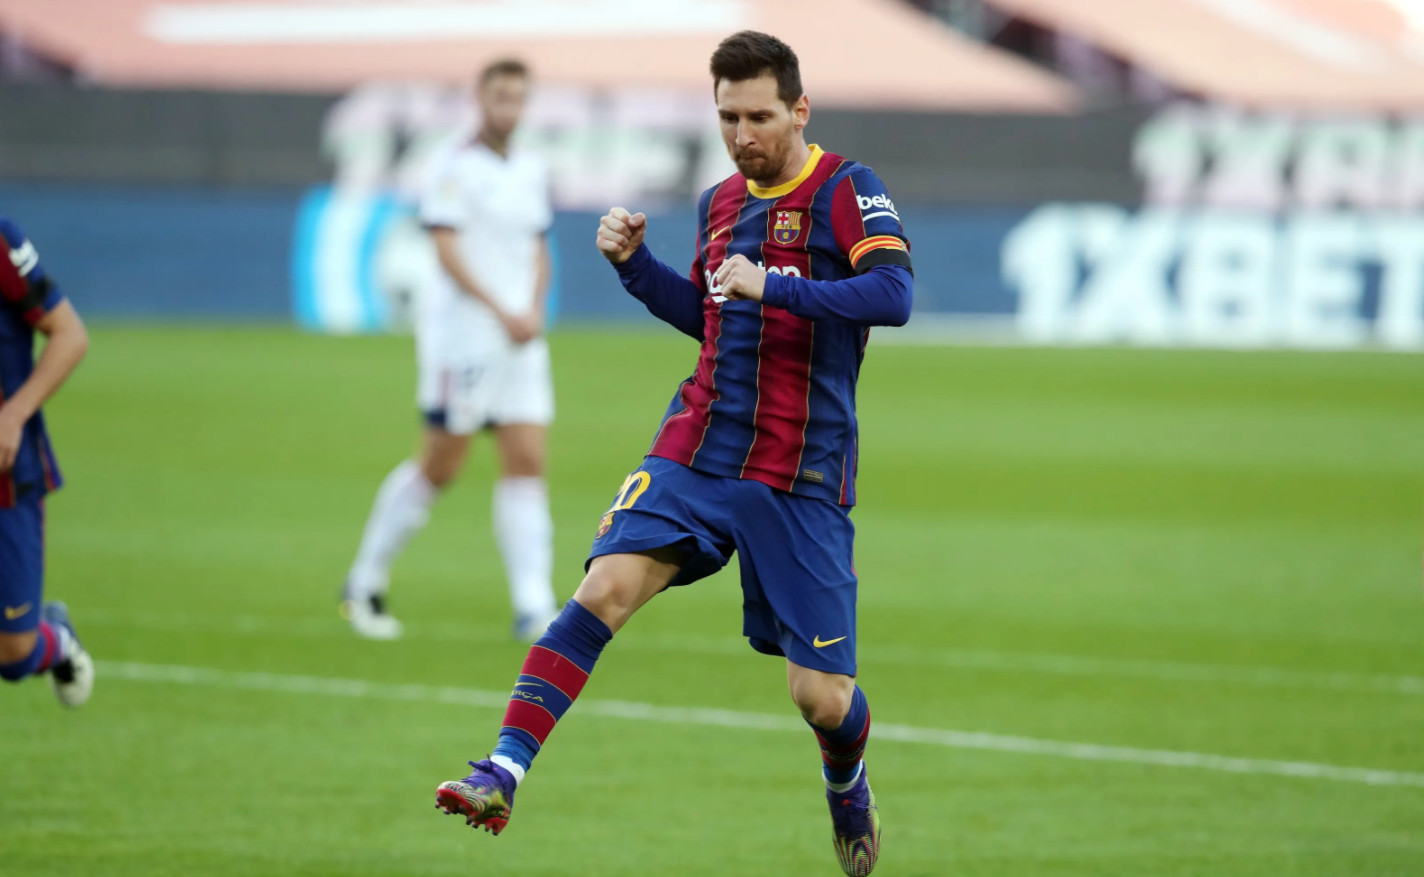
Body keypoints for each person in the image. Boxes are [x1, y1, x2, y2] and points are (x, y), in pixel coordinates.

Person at [433, 31, 912, 877]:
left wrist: (779, 284)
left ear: (799, 109)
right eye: (727, 116)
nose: (742, 134)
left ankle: (848, 779)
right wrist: (635, 268)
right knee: (604, 586)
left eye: (759, 115)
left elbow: (893, 295)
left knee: (821, 697)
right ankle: (502, 767)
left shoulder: (848, 189)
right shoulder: (719, 203)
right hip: (699, 441)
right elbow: (715, 318)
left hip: (798, 466)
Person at [341, 58, 559, 642]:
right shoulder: (453, 167)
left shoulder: (531, 168)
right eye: (499, 96)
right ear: (480, 99)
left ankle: (533, 605)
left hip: (521, 337)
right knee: (442, 464)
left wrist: (534, 308)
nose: (508, 108)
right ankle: (363, 580)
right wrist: (502, 311)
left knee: (527, 460)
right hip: (464, 337)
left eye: (517, 97)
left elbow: (539, 248)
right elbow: (446, 250)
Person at [0, 218, 93, 706]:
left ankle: (53, 637)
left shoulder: (2, 242)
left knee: (13, 654)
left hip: (7, 477)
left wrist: (14, 413)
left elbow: (69, 334)